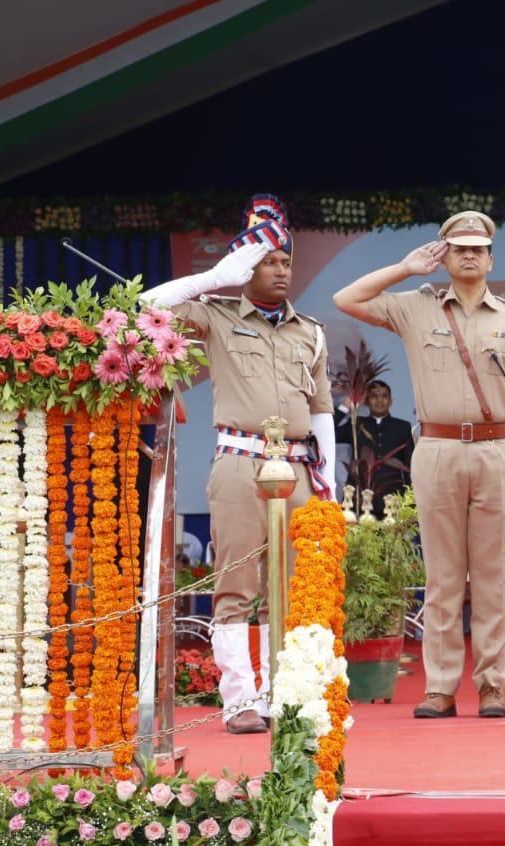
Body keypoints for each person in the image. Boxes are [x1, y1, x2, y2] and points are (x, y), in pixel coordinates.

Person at [333, 211, 505, 719]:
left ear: (491, 257)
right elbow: (348, 299)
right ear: (443, 256)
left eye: (477, 248)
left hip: (498, 451)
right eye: (458, 247)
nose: (468, 255)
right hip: (437, 449)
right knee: (443, 577)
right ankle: (441, 686)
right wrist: (406, 268)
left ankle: (493, 684)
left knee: (493, 577)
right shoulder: (415, 307)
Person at [141, 194, 336, 734]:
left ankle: (281, 696)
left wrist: (330, 485)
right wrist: (215, 276)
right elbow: (144, 308)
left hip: (297, 469)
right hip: (240, 463)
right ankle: (238, 701)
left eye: (285, 261)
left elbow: (322, 411)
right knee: (235, 586)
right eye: (267, 261)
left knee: (291, 590)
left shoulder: (311, 330)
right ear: (245, 269)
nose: (280, 270)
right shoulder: (217, 315)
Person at [335, 379, 414, 518]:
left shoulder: (402, 427)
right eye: (374, 396)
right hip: (358, 499)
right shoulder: (357, 425)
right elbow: (331, 433)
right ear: (366, 401)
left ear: (391, 400)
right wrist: (346, 405)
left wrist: (410, 502)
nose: (379, 400)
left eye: (384, 396)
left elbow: (409, 466)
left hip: (392, 500)